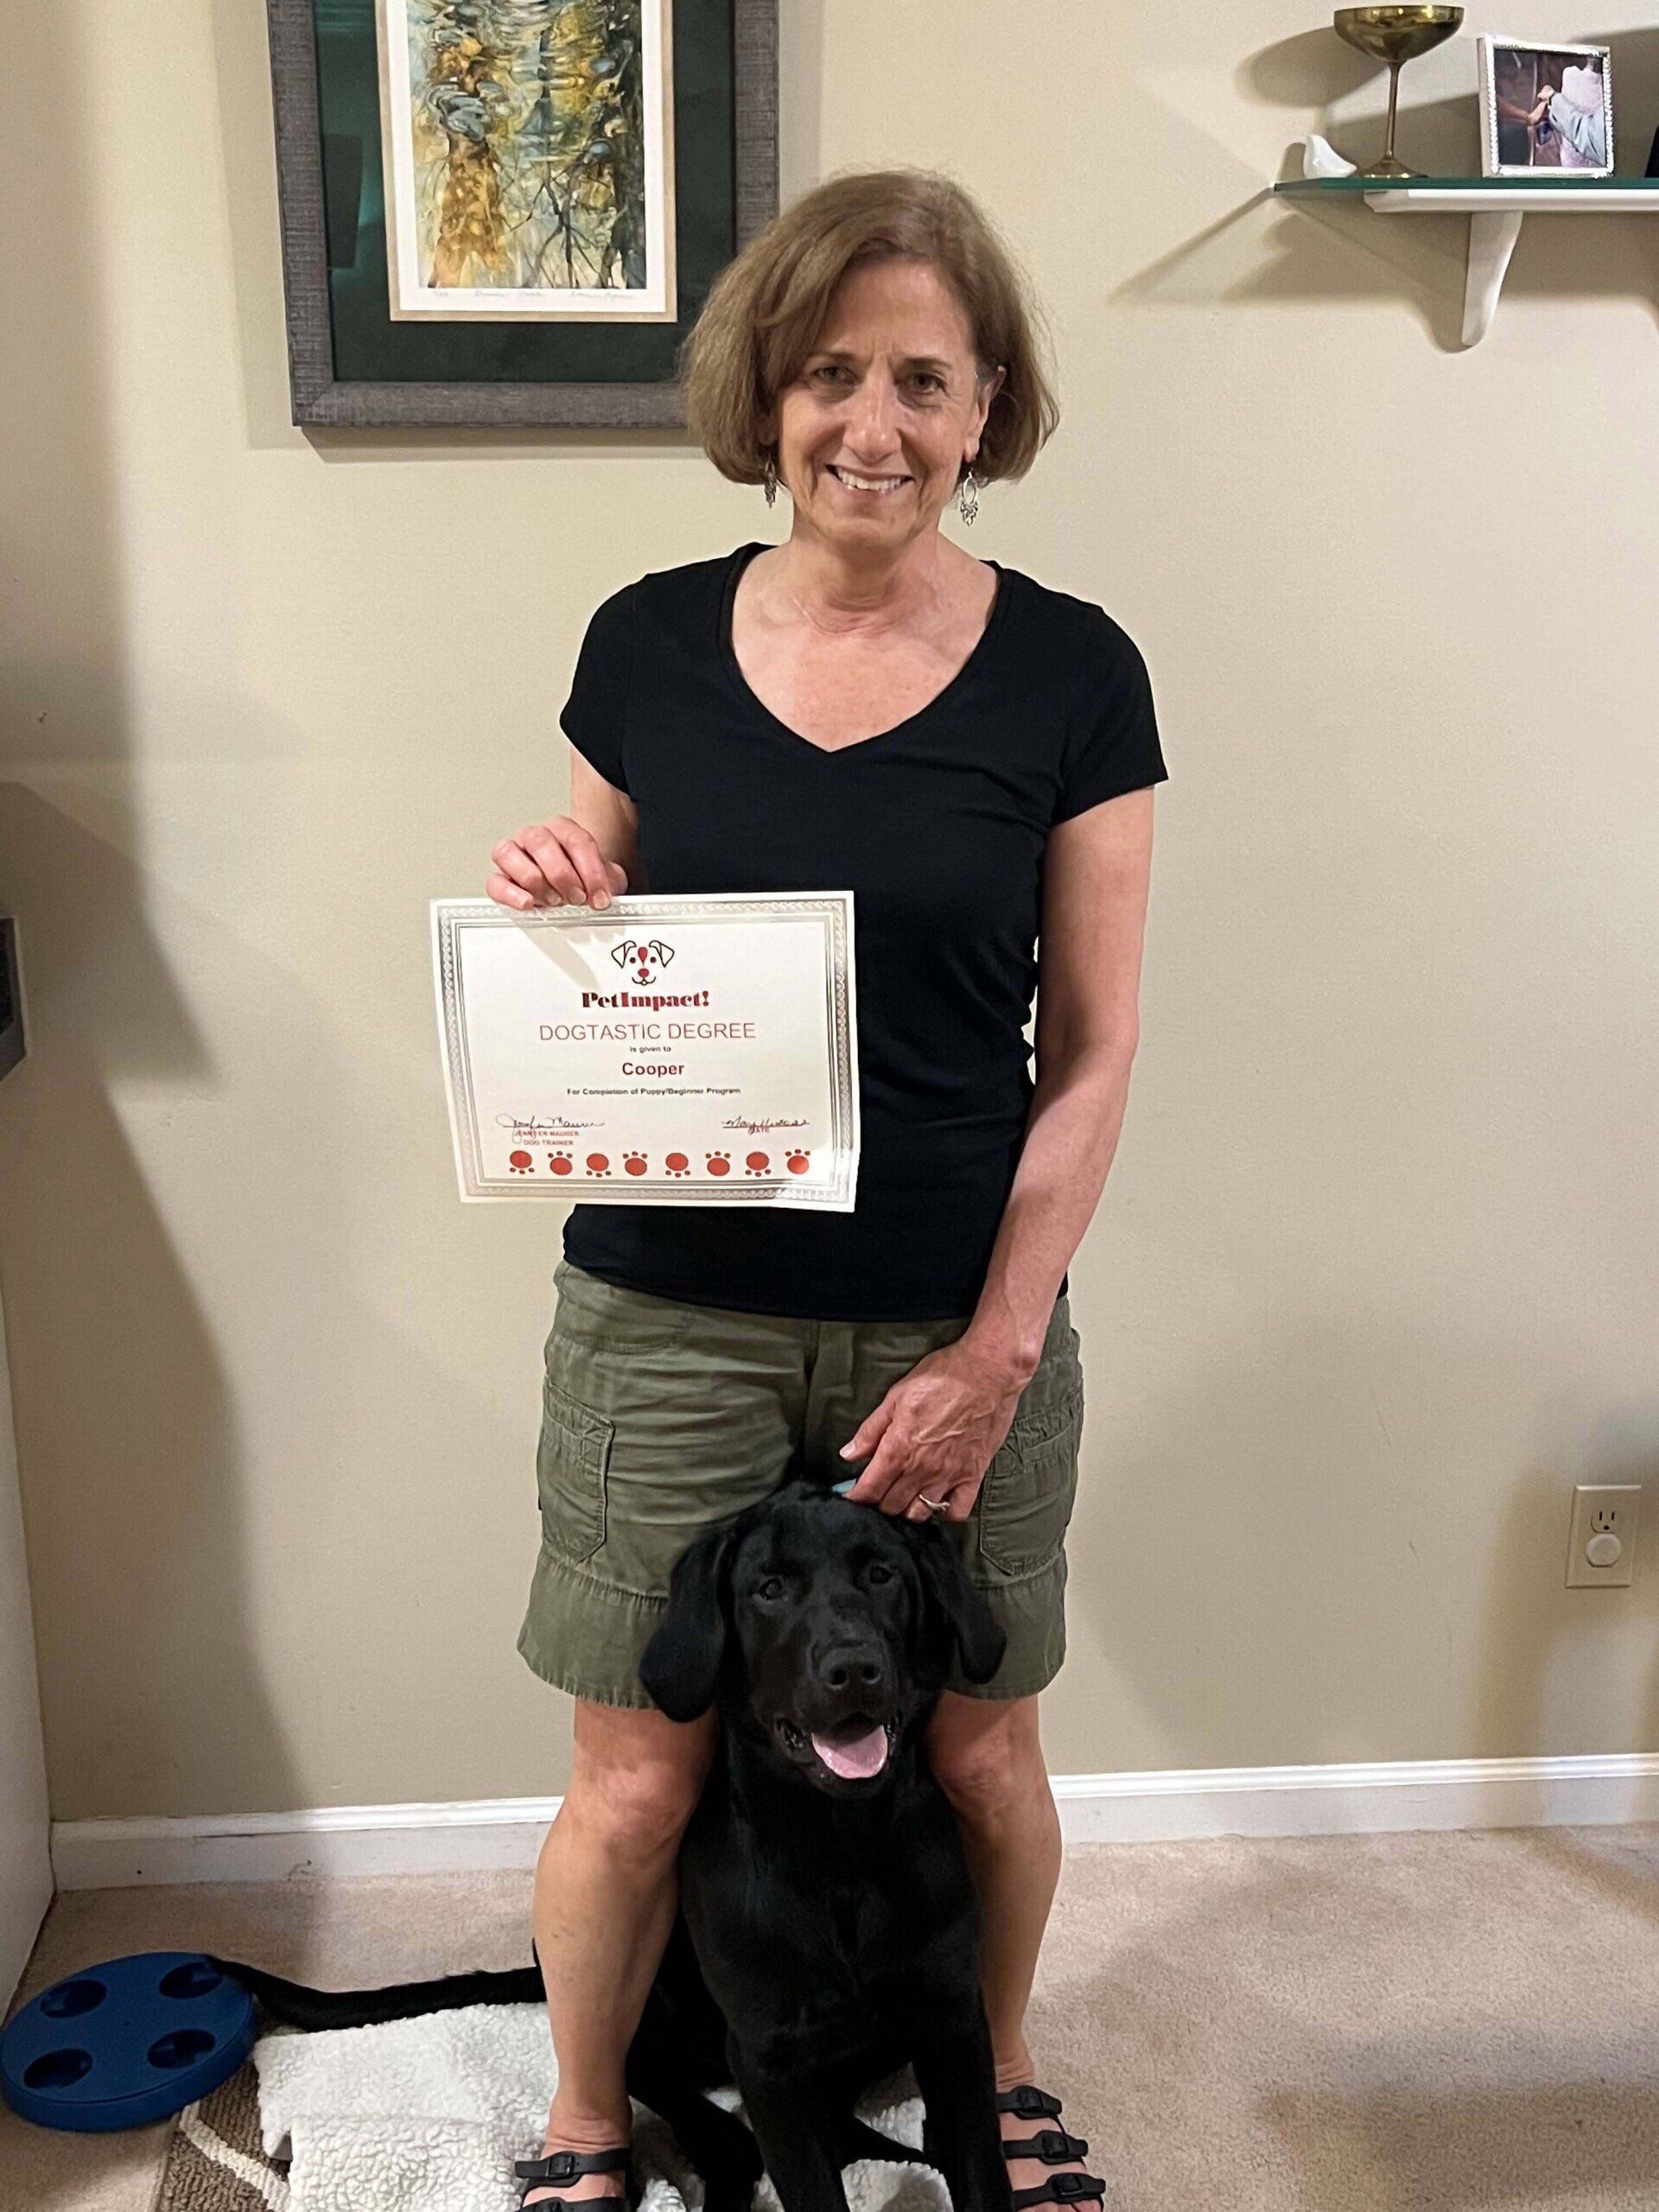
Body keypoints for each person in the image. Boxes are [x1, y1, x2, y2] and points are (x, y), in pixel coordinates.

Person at [485, 168, 1167, 2212]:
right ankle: (589, 2115)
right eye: (830, 374)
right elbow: (597, 940)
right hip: (666, 1310)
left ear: (988, 408)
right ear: (766, 395)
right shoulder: (645, 642)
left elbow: (1095, 1048)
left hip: (958, 1315)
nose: (873, 424)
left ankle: (997, 2073)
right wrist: (560, 887)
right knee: (640, 1766)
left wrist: (998, 1345)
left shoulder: (1075, 673)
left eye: (924, 380)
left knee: (976, 1742)